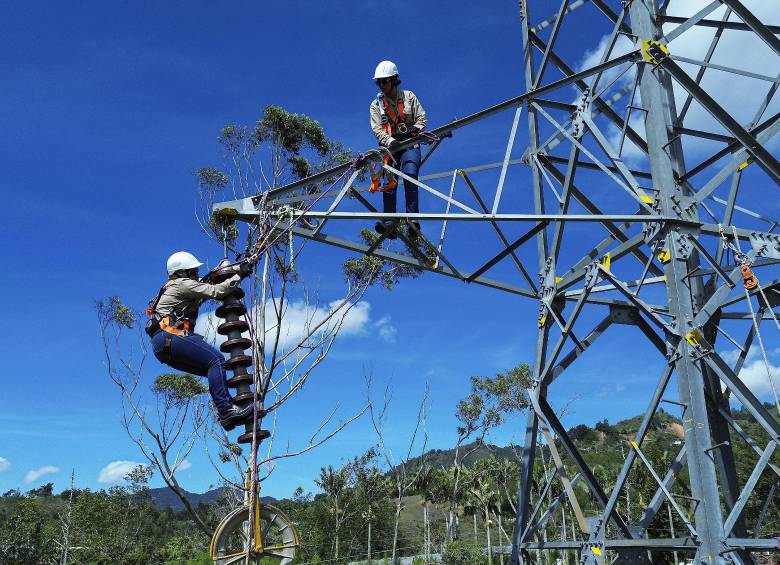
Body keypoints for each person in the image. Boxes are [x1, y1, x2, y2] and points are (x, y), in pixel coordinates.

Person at [146, 251, 253, 431]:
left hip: (162, 347)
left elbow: (204, 286)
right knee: (216, 360)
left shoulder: (174, 287)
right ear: (182, 272)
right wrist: (240, 274)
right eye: (193, 271)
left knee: (210, 368)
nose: (196, 275)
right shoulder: (182, 285)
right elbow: (217, 292)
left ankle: (226, 415)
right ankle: (227, 410)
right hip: (170, 337)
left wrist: (229, 269)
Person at [369, 60, 427, 239]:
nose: (381, 86)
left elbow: (421, 118)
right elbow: (377, 129)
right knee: (389, 181)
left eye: (384, 81)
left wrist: (414, 130)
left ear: (394, 80)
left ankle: (413, 220)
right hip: (390, 147)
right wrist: (390, 141)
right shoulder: (376, 106)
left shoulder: (409, 97)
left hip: (409, 144)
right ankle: (390, 222)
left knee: (410, 175)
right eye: (378, 82)